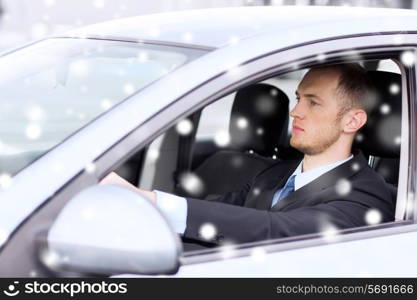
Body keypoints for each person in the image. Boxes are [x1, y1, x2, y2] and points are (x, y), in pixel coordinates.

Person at [101, 63, 395, 245]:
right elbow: (220, 212)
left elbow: (278, 229)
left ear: (352, 121)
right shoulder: (272, 174)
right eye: (298, 99)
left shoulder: (368, 196)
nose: (295, 112)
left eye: (313, 103)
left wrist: (151, 201)